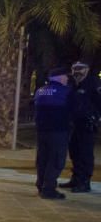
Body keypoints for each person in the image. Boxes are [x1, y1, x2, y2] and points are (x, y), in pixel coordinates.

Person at [60, 61, 101, 192]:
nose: (77, 71)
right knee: (74, 151)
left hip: (87, 124)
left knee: (85, 153)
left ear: (87, 69)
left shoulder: (93, 83)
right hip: (74, 124)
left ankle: (84, 182)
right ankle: (76, 179)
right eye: (74, 68)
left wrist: (96, 117)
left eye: (80, 69)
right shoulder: (73, 83)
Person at [34, 67, 73, 200]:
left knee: (42, 159)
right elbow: (73, 110)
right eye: (66, 76)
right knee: (55, 159)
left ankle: (41, 185)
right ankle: (48, 189)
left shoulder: (40, 91)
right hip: (58, 131)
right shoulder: (65, 91)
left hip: (42, 131)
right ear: (60, 78)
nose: (67, 79)